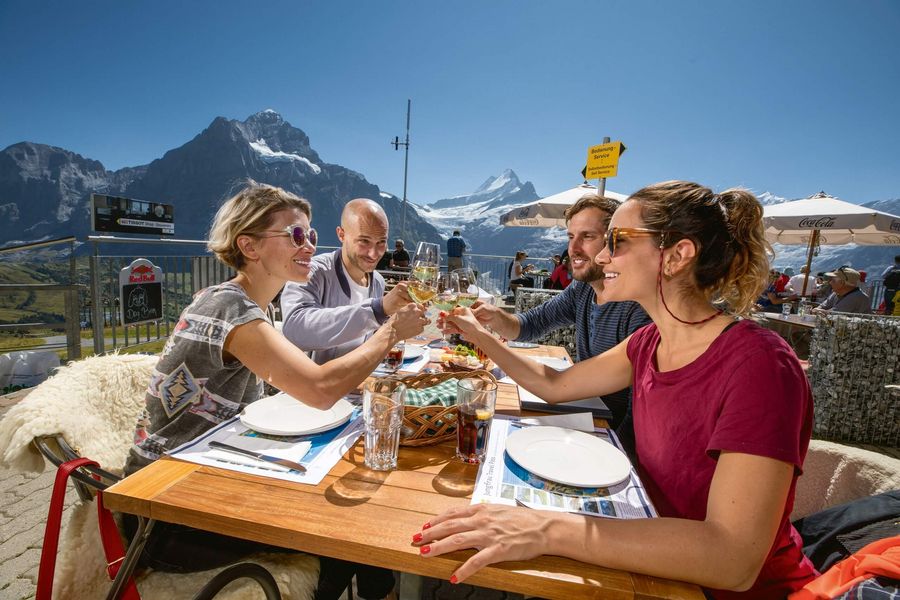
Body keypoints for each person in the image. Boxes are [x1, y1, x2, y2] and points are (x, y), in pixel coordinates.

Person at [419, 181, 816, 599]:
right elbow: (554, 385)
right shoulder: (649, 343)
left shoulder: (761, 365)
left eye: (618, 241)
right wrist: (480, 335)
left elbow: (732, 560)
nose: (601, 256)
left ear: (677, 255)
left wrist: (546, 529)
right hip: (645, 558)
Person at [124, 182, 425, 600]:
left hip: (204, 477)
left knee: (348, 507)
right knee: (342, 526)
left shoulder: (247, 306)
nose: (309, 246)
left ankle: (379, 591)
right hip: (166, 511)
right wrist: (389, 331)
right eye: (296, 235)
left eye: (311, 235)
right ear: (249, 246)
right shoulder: (227, 308)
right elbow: (319, 389)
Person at [462, 195, 650, 435]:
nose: (573, 249)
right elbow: (532, 323)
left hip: (605, 432)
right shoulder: (582, 289)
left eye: (587, 236)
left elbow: (637, 416)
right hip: (584, 413)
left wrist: (479, 335)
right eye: (571, 237)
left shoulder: (638, 308)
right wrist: (496, 317)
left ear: (613, 243)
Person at [280, 198, 415, 364]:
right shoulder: (312, 272)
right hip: (309, 379)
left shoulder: (378, 281)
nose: (373, 253)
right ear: (341, 234)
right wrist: (378, 309)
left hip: (360, 378)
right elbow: (295, 329)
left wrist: (394, 323)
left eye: (381, 242)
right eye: (364, 241)